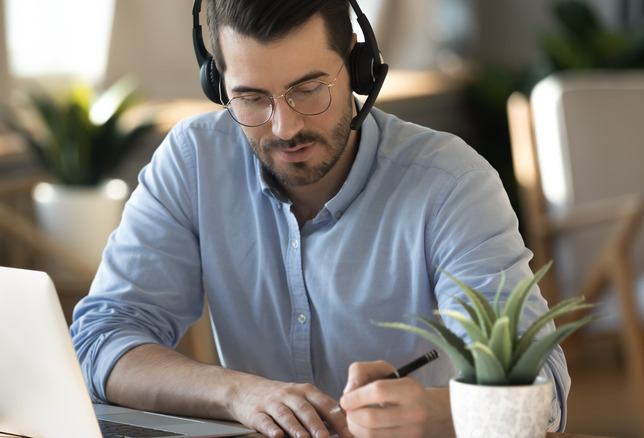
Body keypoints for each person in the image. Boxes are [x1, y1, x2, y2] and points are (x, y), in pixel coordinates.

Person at [70, 1, 570, 437]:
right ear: (217, 84)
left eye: (308, 89)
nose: (285, 127)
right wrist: (238, 394)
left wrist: (440, 416)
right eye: (251, 98)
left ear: (358, 64)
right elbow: (102, 340)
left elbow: (542, 387)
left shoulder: (449, 181)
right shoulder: (193, 159)